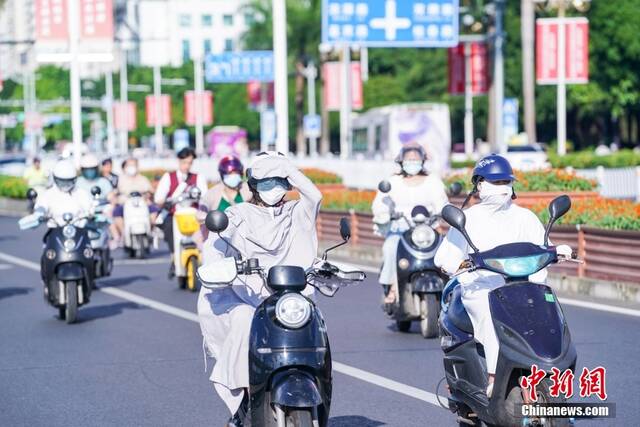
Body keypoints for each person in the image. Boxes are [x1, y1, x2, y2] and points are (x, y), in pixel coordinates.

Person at [197, 152, 322, 426]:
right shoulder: (237, 215)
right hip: (249, 299)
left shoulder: (296, 212)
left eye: (279, 179)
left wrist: (289, 168)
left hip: (291, 299)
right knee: (242, 319)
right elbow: (216, 247)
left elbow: (314, 195)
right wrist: (221, 267)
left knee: (317, 325)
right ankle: (243, 400)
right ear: (253, 185)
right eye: (266, 181)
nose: (274, 186)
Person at [433, 154, 570, 398]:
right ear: (479, 185)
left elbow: (544, 246)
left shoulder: (525, 216)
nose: (502, 188)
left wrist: (557, 251)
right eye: (495, 183)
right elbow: (445, 257)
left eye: (506, 182)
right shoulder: (469, 218)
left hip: (524, 287)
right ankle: (495, 376)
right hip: (483, 287)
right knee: (490, 314)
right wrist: (459, 263)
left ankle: (552, 369)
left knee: (550, 314)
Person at [371, 144, 449, 304]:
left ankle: (449, 290)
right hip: (400, 228)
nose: (412, 162)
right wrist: (385, 214)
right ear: (401, 162)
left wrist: (444, 213)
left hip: (427, 229)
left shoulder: (433, 181)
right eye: (409, 159)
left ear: (422, 161)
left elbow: (441, 202)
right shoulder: (392, 182)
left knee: (446, 250)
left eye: (416, 159)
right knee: (391, 247)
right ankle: (393, 286)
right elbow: (380, 204)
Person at [154, 148, 208, 266]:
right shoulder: (168, 177)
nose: (187, 166)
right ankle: (174, 254)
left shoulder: (198, 177)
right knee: (169, 226)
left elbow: (205, 197)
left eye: (190, 163)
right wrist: (164, 202)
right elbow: (159, 198)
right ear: (179, 161)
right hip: (174, 215)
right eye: (184, 162)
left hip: (194, 215)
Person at [34, 159, 93, 228]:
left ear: (74, 179)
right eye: (62, 181)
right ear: (55, 179)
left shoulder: (81, 193)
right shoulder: (48, 194)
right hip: (55, 231)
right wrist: (40, 212)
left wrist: (92, 212)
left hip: (78, 230)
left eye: (69, 181)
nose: (65, 185)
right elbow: (41, 206)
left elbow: (90, 207)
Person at [112, 158, 158, 243]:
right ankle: (124, 234)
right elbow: (114, 192)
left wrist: (148, 195)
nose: (131, 168)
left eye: (133, 165)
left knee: (154, 210)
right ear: (125, 167)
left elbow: (151, 190)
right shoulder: (120, 179)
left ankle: (149, 231)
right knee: (116, 212)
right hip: (125, 204)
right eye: (129, 165)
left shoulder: (142, 179)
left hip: (142, 204)